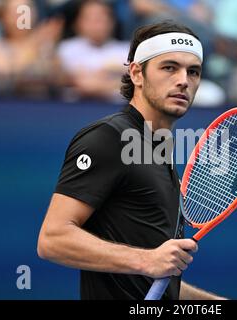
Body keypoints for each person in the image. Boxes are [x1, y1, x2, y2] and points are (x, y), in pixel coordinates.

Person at [37, 21, 226, 300]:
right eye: (169, 67)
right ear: (137, 73)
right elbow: (52, 239)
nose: (184, 80)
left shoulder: (160, 153)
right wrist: (147, 260)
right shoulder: (108, 137)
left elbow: (154, 280)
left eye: (193, 71)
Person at [57, 0, 129, 101]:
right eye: (89, 18)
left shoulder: (126, 50)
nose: (95, 24)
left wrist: (96, 84)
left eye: (100, 19)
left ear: (111, 22)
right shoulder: (66, 49)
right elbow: (69, 81)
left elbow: (133, 82)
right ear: (78, 22)